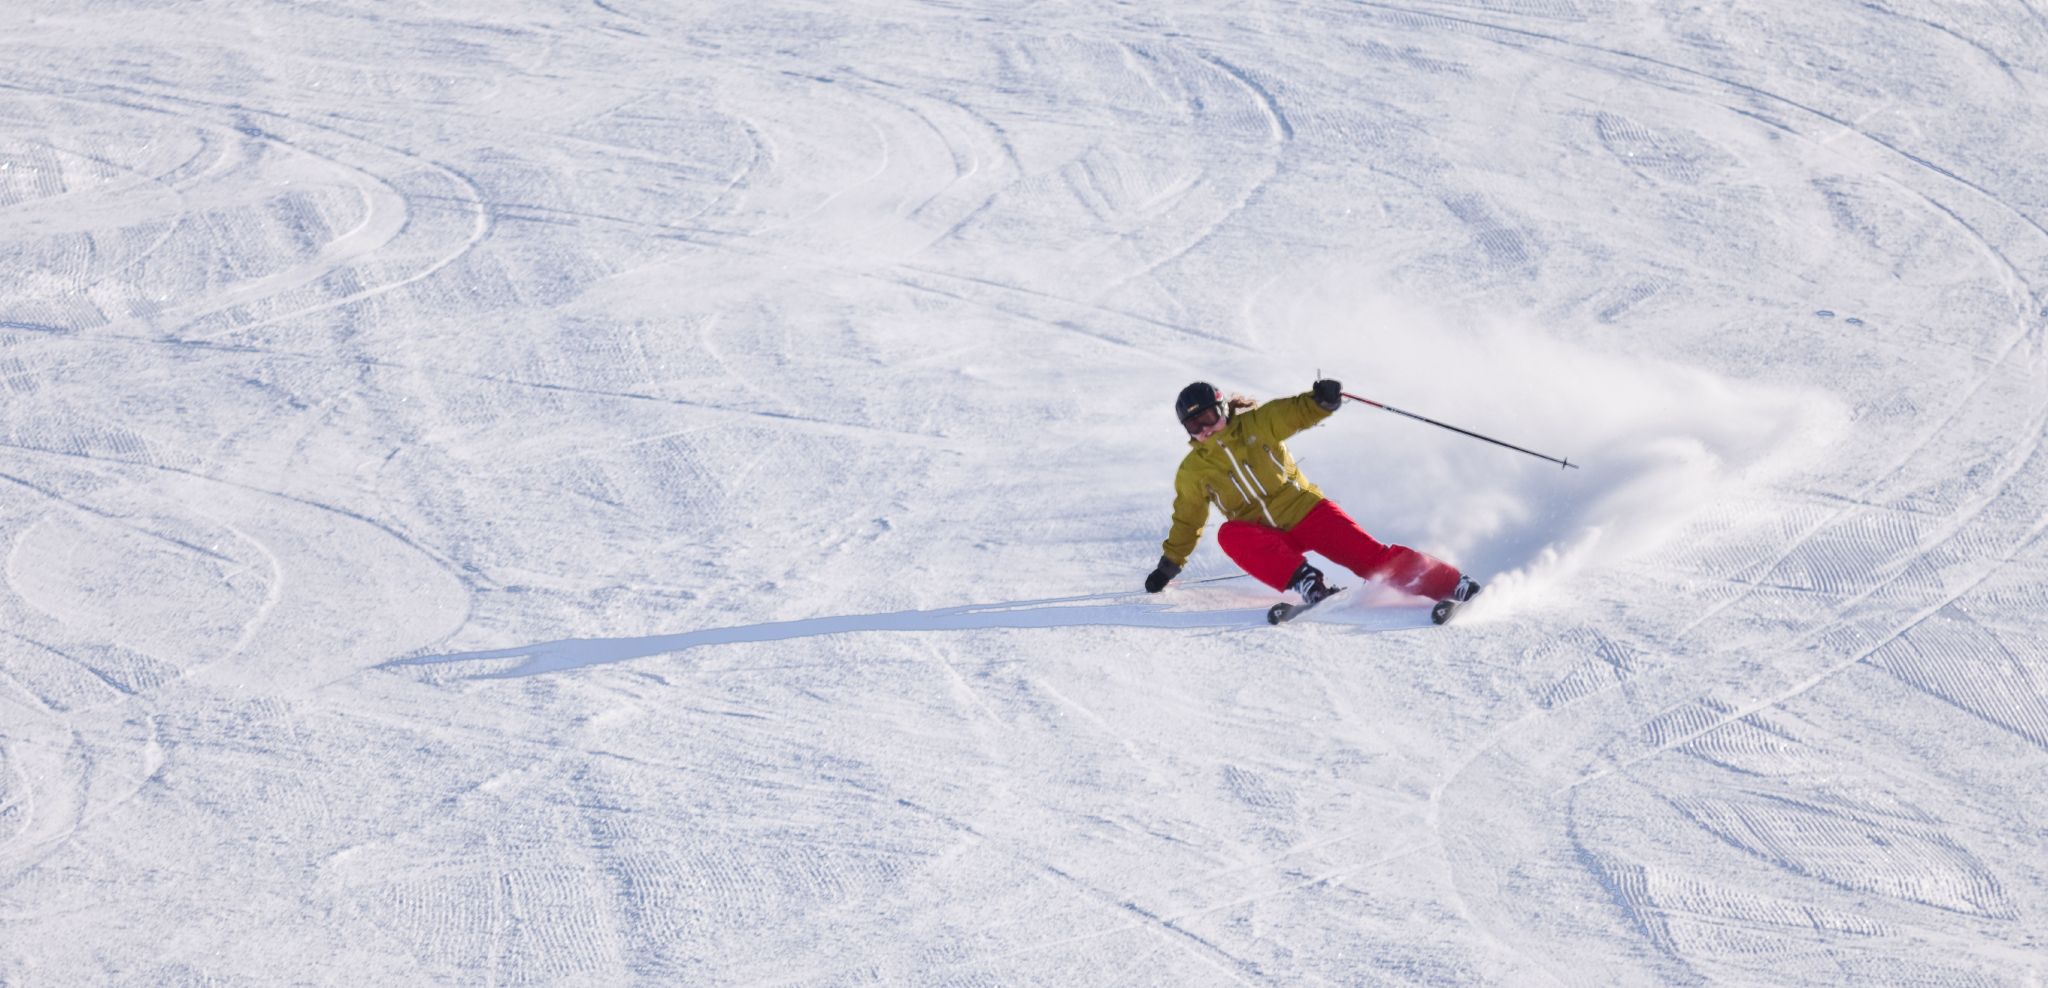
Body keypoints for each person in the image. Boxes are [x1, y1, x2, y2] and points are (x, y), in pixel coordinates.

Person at [1143, 379, 1480, 609]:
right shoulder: (1193, 470)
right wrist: (1169, 566)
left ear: (1223, 410)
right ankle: (1307, 583)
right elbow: (1188, 520)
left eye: (1208, 417)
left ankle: (1452, 584)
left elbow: (1291, 413)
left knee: (1371, 559)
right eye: (1194, 425)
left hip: (1307, 512)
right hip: (1266, 536)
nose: (1204, 430)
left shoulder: (1258, 424)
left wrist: (1320, 402)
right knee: (1229, 534)